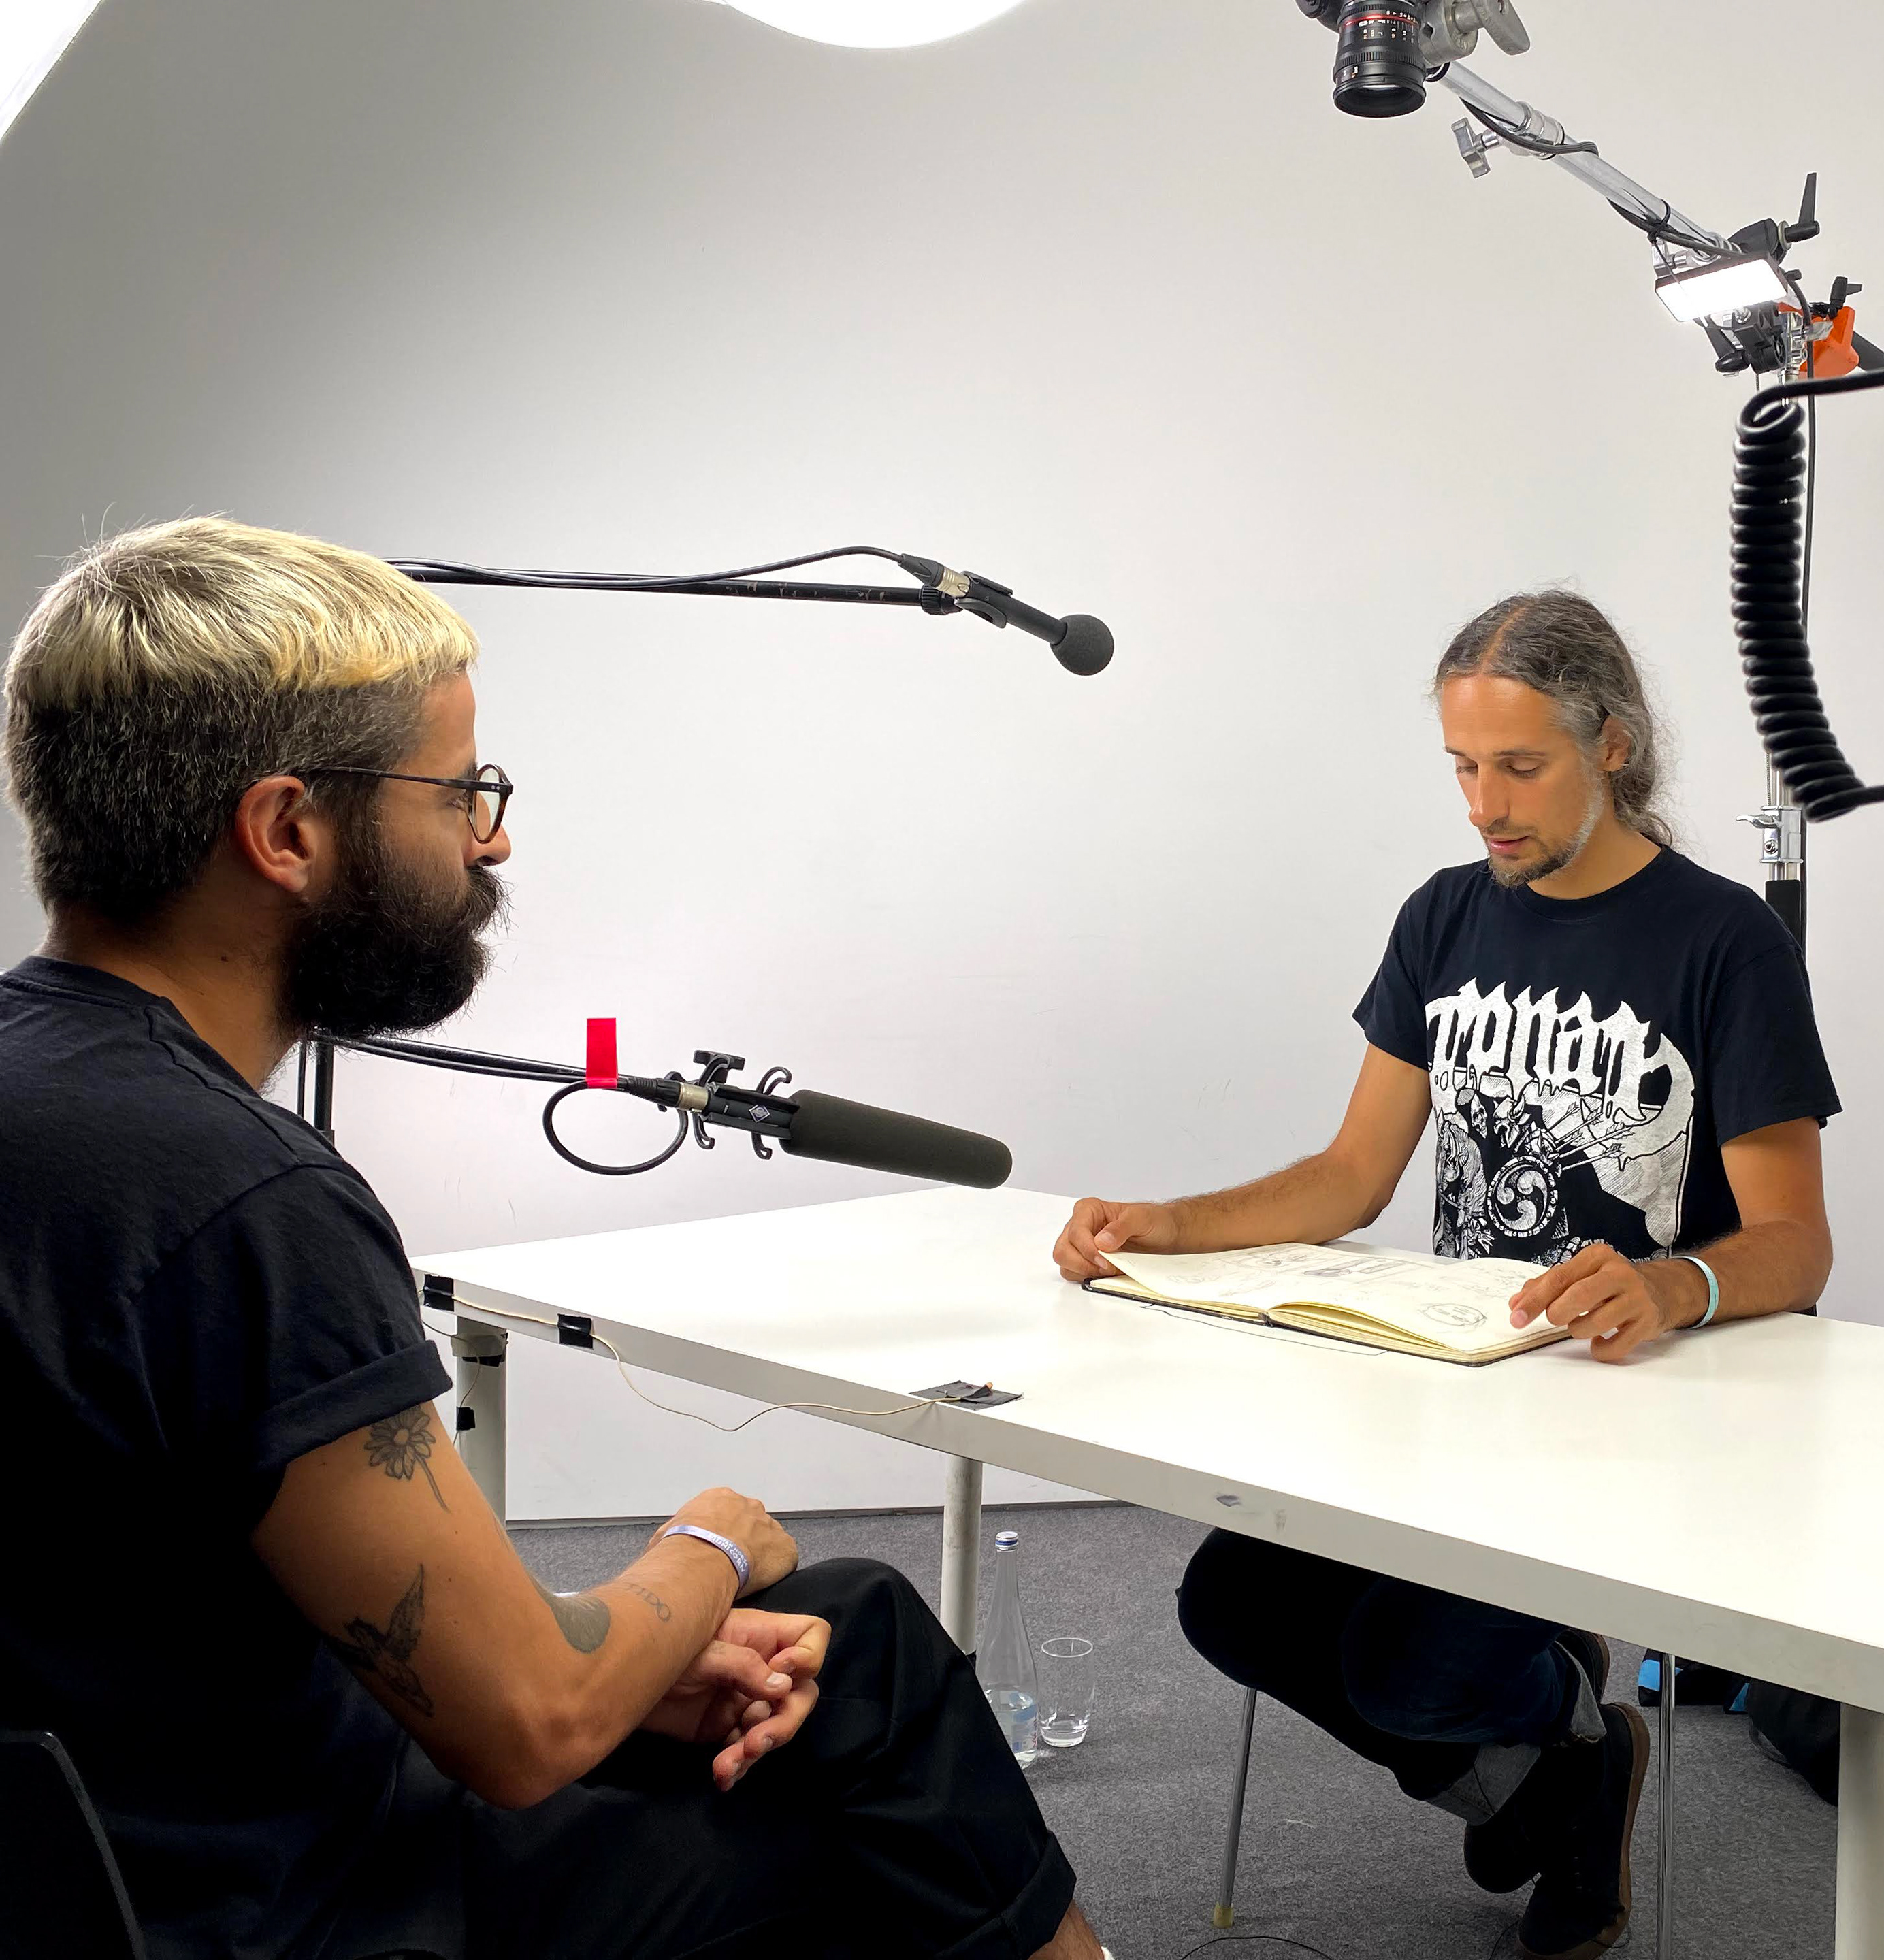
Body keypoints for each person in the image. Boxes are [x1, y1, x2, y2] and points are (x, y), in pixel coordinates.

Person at [0, 519, 1107, 1960]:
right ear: (287, 832)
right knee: (866, 1678)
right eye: (461, 790)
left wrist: (634, 1653)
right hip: (300, 1910)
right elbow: (531, 1727)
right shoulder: (239, 1201)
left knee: (814, 1654)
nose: (494, 837)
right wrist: (710, 1546)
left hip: (98, 1853)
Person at [1050, 590, 1839, 1960]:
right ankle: (1564, 1767)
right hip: (1453, 1399)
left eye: (1518, 766)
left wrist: (1668, 1286)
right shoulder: (1444, 917)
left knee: (1405, 1673)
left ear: (1612, 745)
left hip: (1631, 1425)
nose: (1484, 805)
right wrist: (1168, 1223)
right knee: (1231, 1605)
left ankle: (1550, 1745)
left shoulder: (1727, 944)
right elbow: (1351, 1175)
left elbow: (1797, 1242)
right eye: (1463, 767)